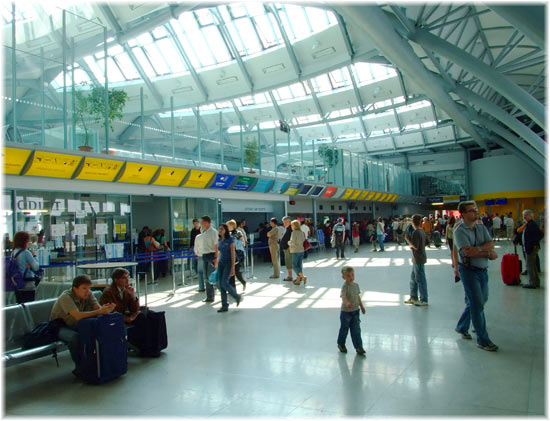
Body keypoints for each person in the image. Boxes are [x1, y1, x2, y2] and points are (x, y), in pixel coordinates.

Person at [453, 201, 499, 352]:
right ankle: (483, 340)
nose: (475, 212)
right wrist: (486, 252)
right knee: (477, 304)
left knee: (480, 301)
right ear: (464, 214)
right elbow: (467, 252)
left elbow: (491, 243)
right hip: (469, 271)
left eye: (476, 209)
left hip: (482, 270)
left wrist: (479, 249)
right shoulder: (459, 230)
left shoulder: (480, 227)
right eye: (472, 210)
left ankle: (461, 326)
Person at [50, 275, 116, 376]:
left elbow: (98, 309)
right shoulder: (66, 297)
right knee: (74, 338)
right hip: (59, 326)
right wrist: (99, 311)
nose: (87, 291)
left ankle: (100, 363)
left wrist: (106, 310)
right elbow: (77, 316)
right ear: (75, 289)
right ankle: (80, 367)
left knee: (97, 330)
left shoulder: (88, 295)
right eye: (84, 288)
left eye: (89, 288)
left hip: (78, 324)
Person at [337, 266, 366, 356]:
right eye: (348, 276)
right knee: (344, 329)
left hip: (355, 311)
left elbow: (358, 297)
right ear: (344, 277)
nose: (351, 277)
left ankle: (358, 347)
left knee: (356, 329)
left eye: (352, 275)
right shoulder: (345, 287)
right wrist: (347, 303)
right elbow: (343, 296)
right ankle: (341, 344)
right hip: (346, 312)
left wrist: (361, 306)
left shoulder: (356, 285)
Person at [216, 224, 242, 313]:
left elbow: (232, 253)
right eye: (219, 229)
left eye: (222, 229)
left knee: (224, 282)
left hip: (228, 263)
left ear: (226, 230)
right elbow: (219, 252)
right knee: (220, 283)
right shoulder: (219, 240)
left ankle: (236, 296)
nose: (220, 230)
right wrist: (217, 261)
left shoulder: (230, 240)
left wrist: (233, 267)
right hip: (221, 263)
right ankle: (224, 305)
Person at [404, 215, 428, 306]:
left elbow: (416, 246)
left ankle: (424, 299)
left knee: (420, 279)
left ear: (413, 222)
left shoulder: (416, 233)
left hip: (418, 258)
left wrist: (408, 240)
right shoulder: (422, 231)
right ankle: (413, 297)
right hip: (419, 257)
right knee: (413, 278)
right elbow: (426, 243)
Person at [10, 231, 40, 303]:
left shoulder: (13, 253)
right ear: (24, 241)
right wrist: (35, 256)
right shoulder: (26, 253)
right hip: (28, 285)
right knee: (29, 307)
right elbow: (36, 267)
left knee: (20, 306)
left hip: (17, 284)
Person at [521, 209, 543, 289]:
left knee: (530, 266)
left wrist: (534, 243)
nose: (524, 217)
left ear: (530, 216)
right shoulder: (529, 224)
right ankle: (536, 281)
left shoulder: (532, 225)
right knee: (533, 266)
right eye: (524, 215)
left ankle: (532, 283)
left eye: (526, 215)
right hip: (529, 247)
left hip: (531, 248)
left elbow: (540, 234)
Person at [201, 216, 219, 303]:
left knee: (211, 276)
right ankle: (209, 296)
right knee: (206, 276)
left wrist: (216, 257)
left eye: (203, 222)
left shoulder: (214, 232)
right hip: (205, 255)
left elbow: (216, 245)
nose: (201, 224)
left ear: (207, 222)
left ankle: (222, 290)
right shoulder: (203, 232)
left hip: (212, 255)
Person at [227, 220, 247, 291]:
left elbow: (243, 243)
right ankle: (232, 288)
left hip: (237, 255)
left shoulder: (238, 233)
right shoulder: (227, 234)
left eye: (228, 225)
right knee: (231, 272)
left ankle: (242, 282)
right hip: (229, 255)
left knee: (236, 271)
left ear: (232, 226)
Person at [288, 220, 307, 285]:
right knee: (299, 265)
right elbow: (303, 240)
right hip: (301, 250)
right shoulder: (301, 232)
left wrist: (288, 243)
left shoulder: (294, 232)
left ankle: (303, 277)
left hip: (295, 251)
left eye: (292, 225)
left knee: (294, 266)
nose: (291, 226)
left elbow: (292, 242)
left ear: (295, 226)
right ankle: (298, 280)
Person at [280, 217, 294, 282]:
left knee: (289, 263)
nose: (284, 223)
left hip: (288, 249)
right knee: (288, 262)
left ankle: (290, 276)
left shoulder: (291, 229)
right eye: (284, 222)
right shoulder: (287, 229)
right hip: (286, 248)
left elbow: (293, 238)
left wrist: (289, 246)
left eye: (286, 222)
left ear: (289, 222)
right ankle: (290, 276)